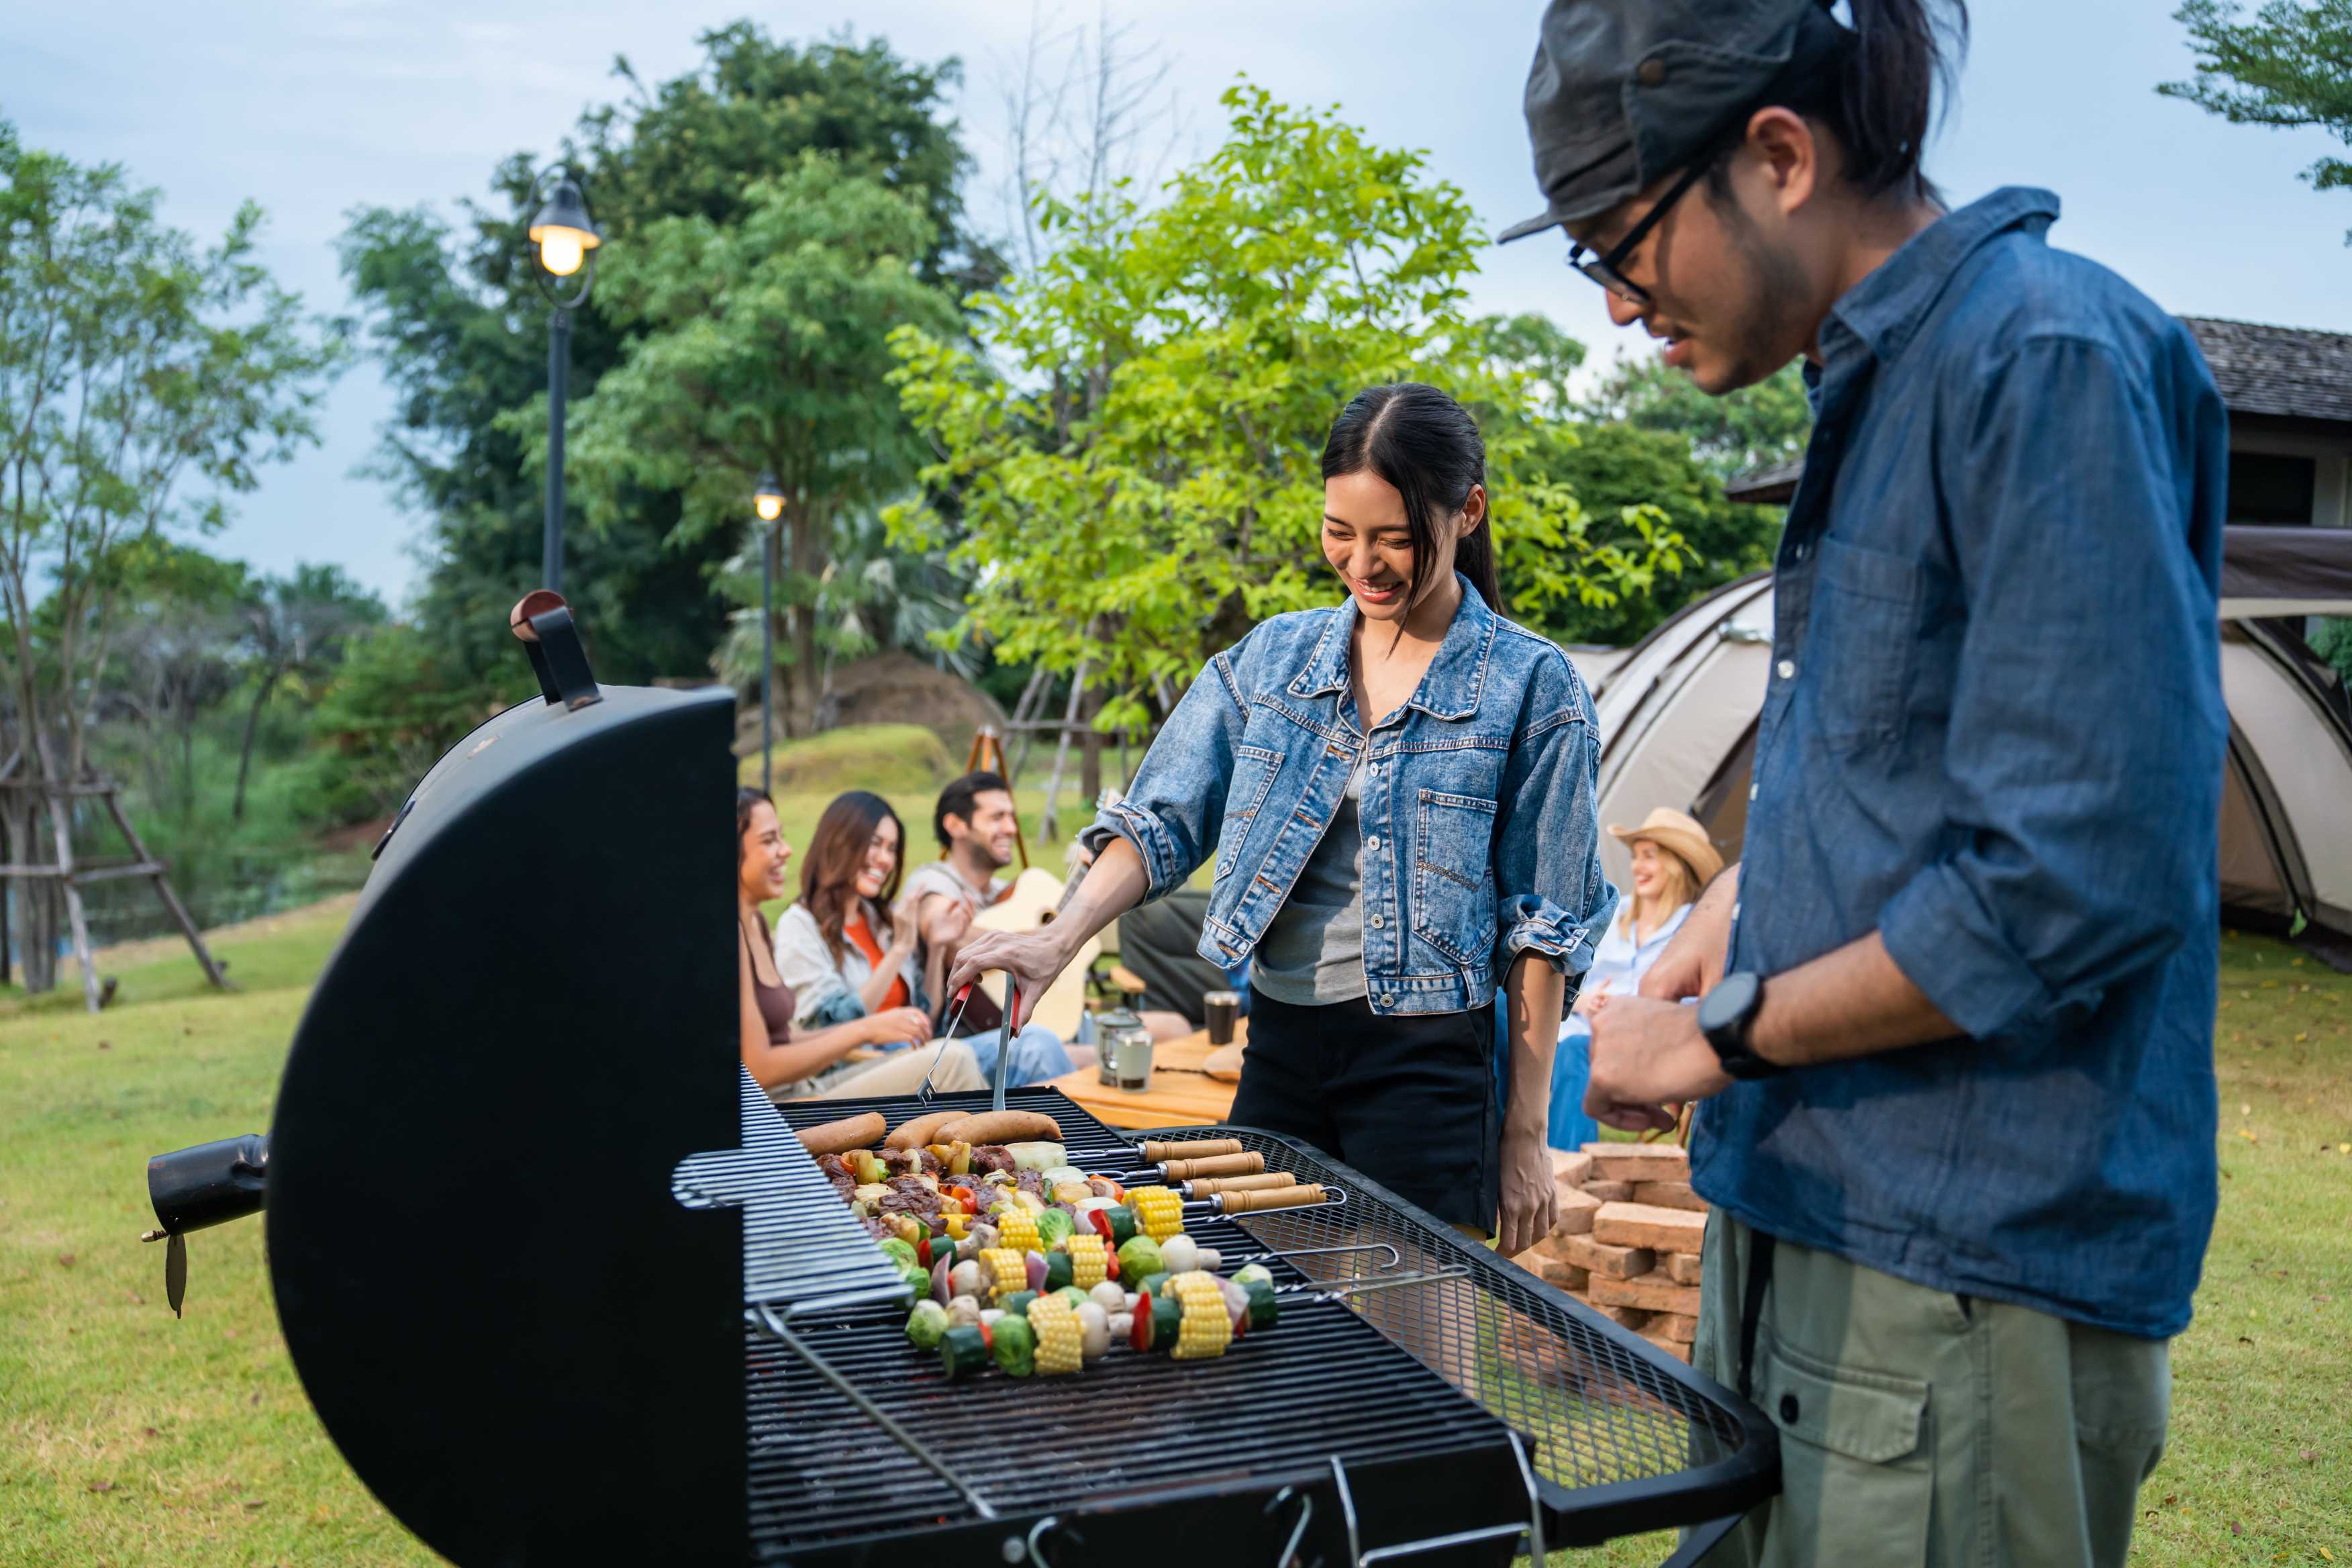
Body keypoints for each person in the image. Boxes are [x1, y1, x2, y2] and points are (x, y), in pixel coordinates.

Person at [1504, 1, 2226, 1562]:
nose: (1618, 304)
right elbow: (1922, 769)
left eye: (1622, 244)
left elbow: (2076, 875)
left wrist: (1722, 1030)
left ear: (1777, 156)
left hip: (1961, 1273)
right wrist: (1743, 905)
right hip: (1809, 1221)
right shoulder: (1876, 386)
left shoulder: (2038, 360)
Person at [950, 383, 1615, 1255]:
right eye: (1341, 531)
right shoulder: (1275, 658)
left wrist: (1525, 1134)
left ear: (1470, 512)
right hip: (1280, 1044)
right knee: (1266, 1303)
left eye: (1396, 538)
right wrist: (1057, 938)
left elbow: (1543, 928)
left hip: (1425, 1067)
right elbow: (1162, 816)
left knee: (1405, 1329)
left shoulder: (1532, 686)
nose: (1363, 563)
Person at [776, 789, 1076, 1088]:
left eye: (892, 849)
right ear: (840, 841)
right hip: (856, 1069)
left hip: (912, 1055)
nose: (885, 860)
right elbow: (832, 1027)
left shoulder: (879, 920)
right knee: (1035, 1047)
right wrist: (898, 951)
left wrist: (936, 949)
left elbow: (927, 1017)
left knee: (1039, 1043)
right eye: (875, 844)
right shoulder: (801, 926)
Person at [733, 786, 987, 1099]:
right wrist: (866, 1029)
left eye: (892, 849)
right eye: (769, 840)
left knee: (993, 1050)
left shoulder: (755, 923)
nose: (786, 850)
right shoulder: (791, 925)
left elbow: (786, 1038)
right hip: (782, 1104)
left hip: (812, 1084)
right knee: (954, 1060)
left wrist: (935, 949)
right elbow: (761, 1067)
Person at [1547, 807, 1719, 1152]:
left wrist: (1629, 1012)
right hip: (1574, 1029)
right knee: (1503, 1012)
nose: (1637, 867)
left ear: (1676, 865)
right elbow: (1571, 977)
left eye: (1649, 857)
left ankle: (1567, 1165)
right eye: (1635, 857)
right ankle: (1497, 1159)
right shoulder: (1614, 914)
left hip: (1641, 1046)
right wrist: (1581, 1001)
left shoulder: (1697, 927)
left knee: (1576, 1052)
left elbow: (1697, 1007)